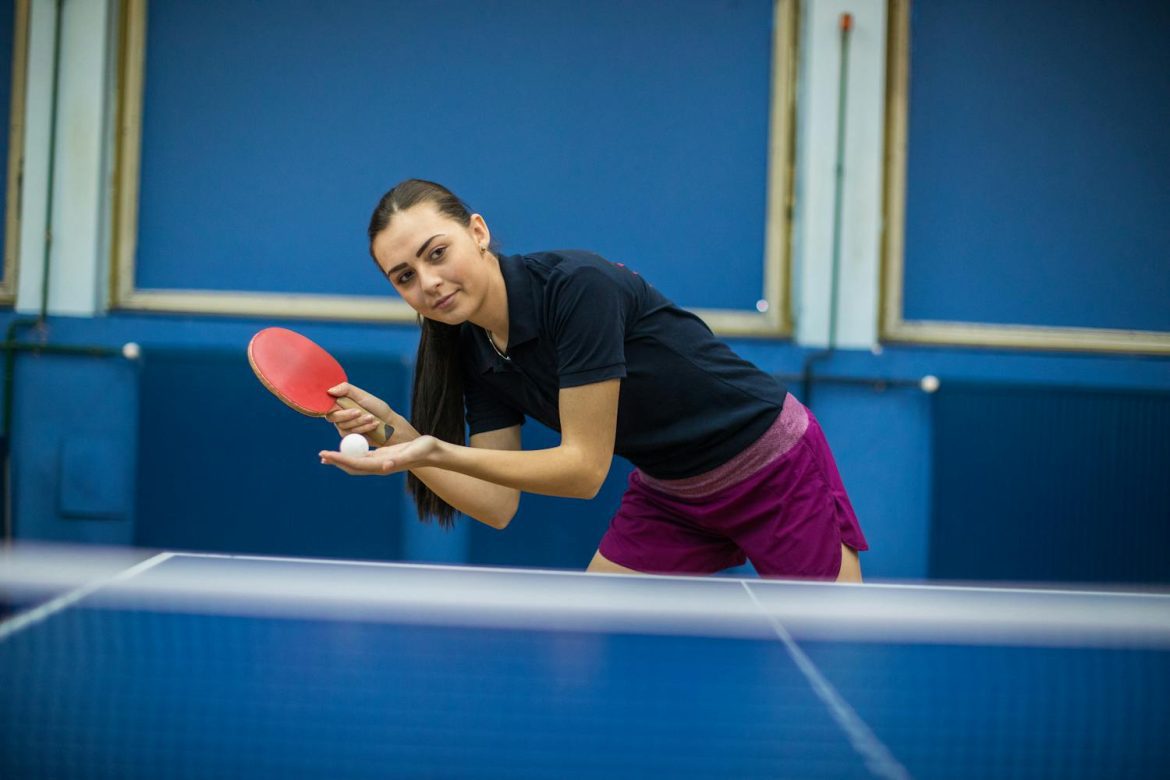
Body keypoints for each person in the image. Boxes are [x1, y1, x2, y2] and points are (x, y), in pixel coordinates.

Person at [319, 179, 868, 581]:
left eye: (437, 253)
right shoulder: (471, 343)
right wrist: (395, 432)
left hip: (770, 466)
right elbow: (496, 504)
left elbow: (583, 471)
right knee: (592, 633)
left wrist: (433, 451)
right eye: (406, 277)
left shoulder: (577, 289)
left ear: (478, 232)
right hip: (674, 491)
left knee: (831, 651)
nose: (430, 282)